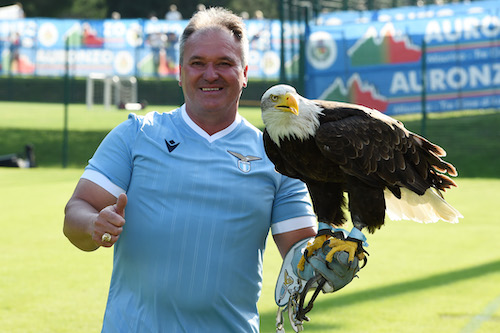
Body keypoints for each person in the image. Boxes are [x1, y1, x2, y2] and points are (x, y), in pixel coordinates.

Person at [63, 7, 317, 332]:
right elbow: (76, 213)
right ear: (181, 72)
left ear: (244, 74)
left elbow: (303, 257)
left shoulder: (278, 158)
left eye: (224, 63)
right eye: (198, 63)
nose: (210, 74)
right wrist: (93, 224)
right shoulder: (136, 135)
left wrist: (330, 258)